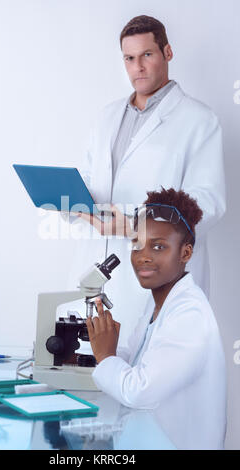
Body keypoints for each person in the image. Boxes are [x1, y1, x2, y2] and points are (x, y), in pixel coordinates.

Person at [74, 15, 225, 346]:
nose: (138, 67)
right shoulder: (107, 116)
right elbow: (90, 179)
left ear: (167, 53)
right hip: (102, 273)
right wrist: (72, 201)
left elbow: (208, 203)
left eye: (147, 55)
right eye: (129, 58)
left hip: (159, 274)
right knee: (101, 378)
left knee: (154, 383)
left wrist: (133, 227)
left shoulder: (198, 120)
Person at [86, 187, 227, 450]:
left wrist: (106, 357)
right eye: (137, 245)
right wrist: (103, 351)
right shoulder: (158, 303)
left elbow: (140, 390)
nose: (144, 256)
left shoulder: (190, 315)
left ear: (185, 253)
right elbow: (139, 362)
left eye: (158, 246)